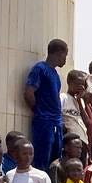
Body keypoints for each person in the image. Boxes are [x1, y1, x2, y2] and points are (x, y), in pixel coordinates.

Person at [24, 39, 68, 171]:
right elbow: (29, 93)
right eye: (65, 55)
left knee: (55, 159)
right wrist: (39, 111)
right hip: (44, 121)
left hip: (56, 122)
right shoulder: (40, 68)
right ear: (59, 53)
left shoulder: (55, 74)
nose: (65, 60)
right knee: (42, 157)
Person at [59, 69, 92, 160]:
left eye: (83, 85)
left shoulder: (80, 101)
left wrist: (79, 100)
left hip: (82, 142)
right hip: (71, 143)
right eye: (78, 84)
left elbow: (88, 123)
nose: (81, 87)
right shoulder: (63, 97)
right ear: (70, 83)